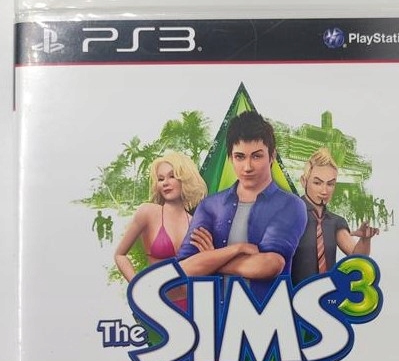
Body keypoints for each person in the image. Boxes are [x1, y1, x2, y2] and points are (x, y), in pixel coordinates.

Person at [178, 111, 307, 301]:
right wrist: (236, 249)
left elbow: (269, 265)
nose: (247, 167)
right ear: (230, 158)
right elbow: (184, 269)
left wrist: (211, 258)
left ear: (272, 156)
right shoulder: (210, 206)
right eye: (240, 157)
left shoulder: (290, 205)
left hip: (267, 315)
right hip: (216, 315)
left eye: (256, 156)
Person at [114, 151, 207, 304]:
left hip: (192, 303)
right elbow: (120, 255)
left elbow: (204, 267)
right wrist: (138, 287)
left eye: (172, 176)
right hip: (157, 304)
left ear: (185, 179)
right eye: (161, 179)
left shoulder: (195, 223)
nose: (165, 183)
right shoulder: (148, 213)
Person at [291, 148, 379, 285]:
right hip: (294, 292)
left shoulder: (336, 222)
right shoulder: (290, 215)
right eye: (317, 183)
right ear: (304, 181)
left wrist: (365, 239)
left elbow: (356, 256)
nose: (324, 191)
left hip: (328, 293)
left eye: (330, 184)